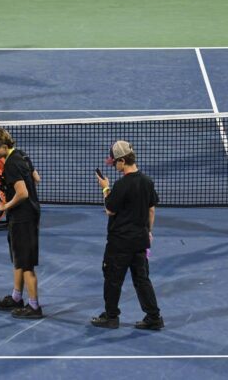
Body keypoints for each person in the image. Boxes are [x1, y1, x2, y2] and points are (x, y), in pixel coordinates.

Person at [93, 141, 163, 330]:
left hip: (120, 243)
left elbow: (110, 210)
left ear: (123, 161)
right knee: (142, 279)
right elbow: (151, 211)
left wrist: (105, 188)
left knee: (112, 279)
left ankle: (111, 316)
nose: (114, 165)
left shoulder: (121, 185)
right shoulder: (147, 182)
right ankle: (154, 316)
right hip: (140, 240)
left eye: (115, 162)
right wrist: (148, 232)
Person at [0, 128, 43, 319]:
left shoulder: (11, 164)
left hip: (23, 218)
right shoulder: (22, 155)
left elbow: (23, 192)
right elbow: (36, 178)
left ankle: (34, 307)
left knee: (26, 264)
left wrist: (5, 206)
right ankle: (16, 297)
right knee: (19, 259)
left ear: (4, 146)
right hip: (27, 215)